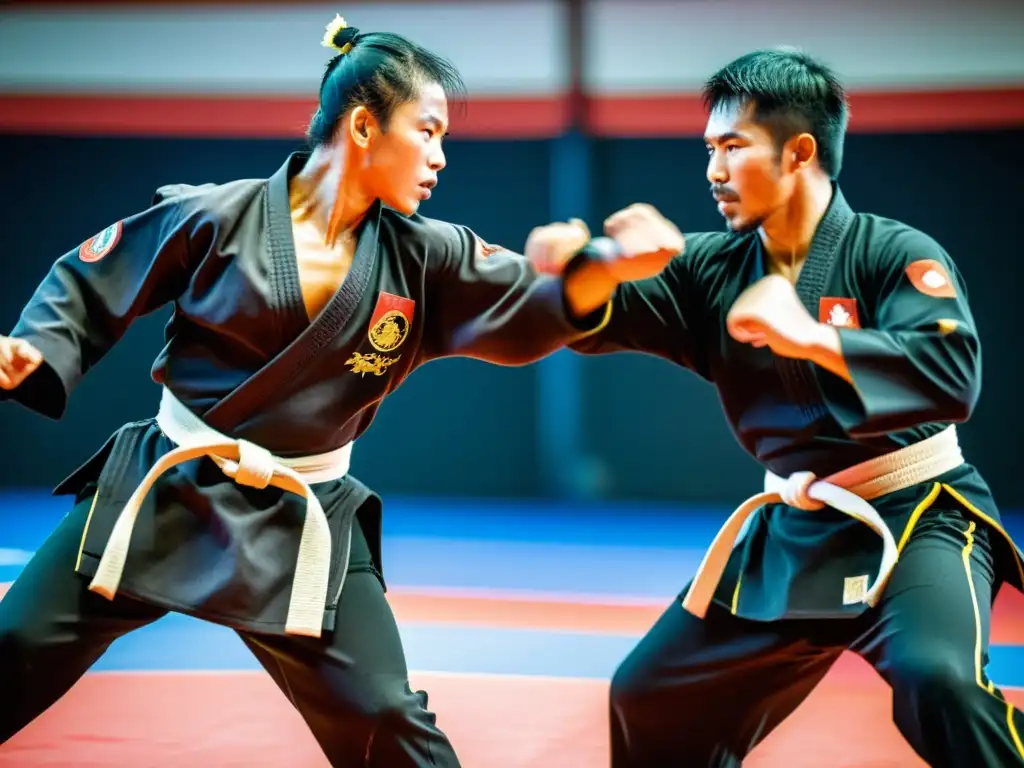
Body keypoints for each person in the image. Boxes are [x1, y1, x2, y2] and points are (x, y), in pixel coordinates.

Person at [0, 16, 678, 767]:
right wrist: (33, 349)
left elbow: (525, 303)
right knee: (14, 646)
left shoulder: (429, 256)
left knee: (387, 716)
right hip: (165, 485)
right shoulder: (215, 216)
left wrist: (602, 269)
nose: (440, 158)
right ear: (363, 126)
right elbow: (94, 278)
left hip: (304, 516)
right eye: (428, 132)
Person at [550, 48, 1024, 766]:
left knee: (941, 682)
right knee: (649, 695)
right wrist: (593, 267)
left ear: (799, 151)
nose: (712, 171)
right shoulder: (711, 268)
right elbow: (586, 316)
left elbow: (953, 374)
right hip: (794, 532)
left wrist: (814, 337)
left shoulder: (893, 252)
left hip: (916, 516)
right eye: (709, 149)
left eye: (732, 147)